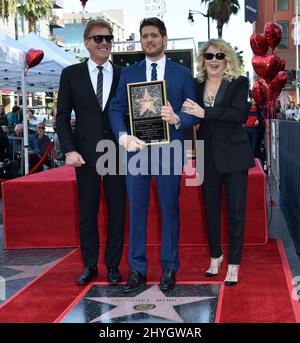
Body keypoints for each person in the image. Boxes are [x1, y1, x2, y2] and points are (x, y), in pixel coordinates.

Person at [109, 17, 198, 292]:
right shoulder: (129, 73)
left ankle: (170, 267)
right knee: (136, 209)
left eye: (154, 35)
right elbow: (115, 108)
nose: (149, 40)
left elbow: (192, 114)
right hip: (137, 150)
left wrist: (177, 119)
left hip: (170, 149)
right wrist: (123, 137)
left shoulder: (182, 74)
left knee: (169, 208)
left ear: (164, 39)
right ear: (141, 40)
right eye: (145, 36)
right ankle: (137, 269)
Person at [56, 19, 126, 286]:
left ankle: (113, 265)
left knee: (117, 212)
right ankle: (89, 265)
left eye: (108, 38)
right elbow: (61, 118)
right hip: (84, 155)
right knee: (87, 212)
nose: (105, 43)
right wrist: (69, 150)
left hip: (117, 154)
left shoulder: (122, 74)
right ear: (87, 43)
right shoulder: (71, 74)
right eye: (99, 38)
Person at [182, 39, 255, 286]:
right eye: (209, 55)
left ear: (228, 59)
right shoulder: (196, 84)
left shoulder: (239, 82)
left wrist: (205, 113)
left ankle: (234, 263)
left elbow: (239, 115)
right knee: (211, 210)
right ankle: (216, 256)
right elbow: (187, 112)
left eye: (220, 55)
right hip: (206, 156)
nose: (214, 60)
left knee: (236, 213)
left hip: (234, 155)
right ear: (203, 59)